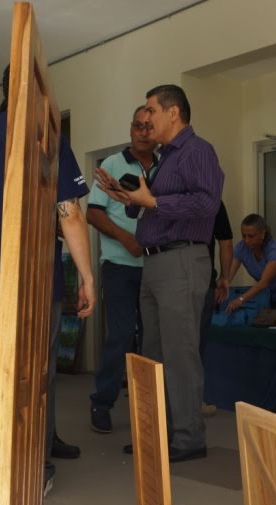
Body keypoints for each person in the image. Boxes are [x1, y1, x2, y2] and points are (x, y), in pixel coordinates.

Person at [0, 66, 95, 499]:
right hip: (31, 280)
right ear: (39, 92)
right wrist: (86, 278)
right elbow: (71, 215)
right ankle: (33, 471)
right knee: (35, 377)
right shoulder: (49, 143)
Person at [95, 84, 224, 462]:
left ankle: (188, 439)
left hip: (181, 261)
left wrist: (150, 200)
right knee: (152, 353)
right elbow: (156, 205)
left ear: (173, 112)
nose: (146, 117)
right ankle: (157, 436)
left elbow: (206, 203)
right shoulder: (166, 157)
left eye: (151, 110)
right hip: (154, 262)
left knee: (180, 352)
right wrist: (128, 200)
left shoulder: (197, 151)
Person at [86, 106, 156, 434]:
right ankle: (102, 402)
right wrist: (125, 238)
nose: (143, 131)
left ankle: (149, 407)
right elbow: (94, 213)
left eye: (148, 126)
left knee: (153, 338)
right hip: (119, 266)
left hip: (156, 266)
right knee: (122, 334)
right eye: (137, 126)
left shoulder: (163, 166)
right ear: (130, 129)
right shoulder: (113, 164)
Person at [224, 213, 276, 312]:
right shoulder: (241, 248)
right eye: (243, 236)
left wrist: (240, 299)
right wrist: (222, 287)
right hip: (271, 294)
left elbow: (264, 283)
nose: (246, 240)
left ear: (262, 234)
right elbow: (227, 277)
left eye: (251, 236)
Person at [200, 201, 233, 416]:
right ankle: (194, 401)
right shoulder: (213, 203)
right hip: (202, 279)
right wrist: (224, 277)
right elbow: (226, 243)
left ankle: (164, 402)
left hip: (165, 278)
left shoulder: (166, 191)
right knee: (197, 345)